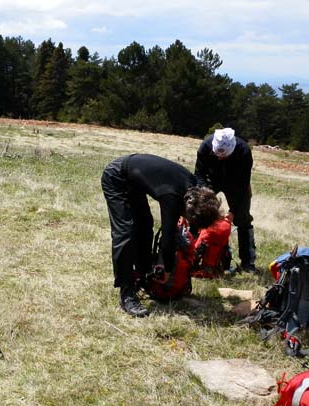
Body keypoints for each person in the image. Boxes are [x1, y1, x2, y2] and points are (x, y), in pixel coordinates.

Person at [101, 153, 221, 317]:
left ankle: (142, 276)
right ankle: (126, 293)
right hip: (116, 177)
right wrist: (167, 269)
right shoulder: (172, 196)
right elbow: (167, 236)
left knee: (145, 225)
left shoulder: (194, 190)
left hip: (134, 181)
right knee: (125, 232)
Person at [194, 127, 257, 273]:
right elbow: (199, 174)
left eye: (224, 156)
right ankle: (193, 254)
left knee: (243, 219)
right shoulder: (205, 146)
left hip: (236, 183)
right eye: (217, 155)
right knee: (198, 213)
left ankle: (247, 263)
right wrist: (206, 196)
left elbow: (243, 184)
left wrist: (233, 211)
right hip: (211, 181)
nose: (220, 158)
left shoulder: (244, 151)